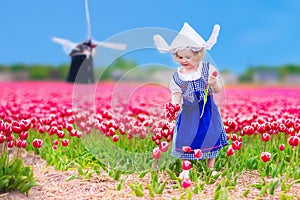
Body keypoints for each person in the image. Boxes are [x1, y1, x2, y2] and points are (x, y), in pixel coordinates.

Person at [153, 22, 229, 179]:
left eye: (187, 57)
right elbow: (176, 95)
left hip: (207, 110)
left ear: (198, 54)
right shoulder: (177, 76)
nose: (183, 60)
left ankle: (210, 167)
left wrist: (214, 83)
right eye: (179, 57)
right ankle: (186, 169)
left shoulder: (208, 70)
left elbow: (218, 89)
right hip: (188, 112)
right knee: (186, 137)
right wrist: (173, 107)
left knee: (210, 135)